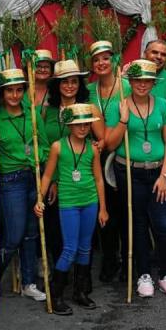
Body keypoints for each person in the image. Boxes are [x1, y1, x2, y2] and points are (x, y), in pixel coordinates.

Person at [102, 60, 166, 299]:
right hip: (129, 172)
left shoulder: (163, 104)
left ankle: (165, 274)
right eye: (137, 80)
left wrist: (165, 175)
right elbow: (111, 144)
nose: (142, 84)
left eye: (147, 80)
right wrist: (123, 121)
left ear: (154, 83)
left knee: (163, 225)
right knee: (137, 224)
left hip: (158, 172)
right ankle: (143, 274)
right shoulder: (119, 105)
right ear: (130, 81)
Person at [36, 102, 109, 314]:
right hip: (68, 203)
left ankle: (80, 291)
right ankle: (55, 293)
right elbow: (48, 175)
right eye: (78, 124)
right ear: (69, 125)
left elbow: (98, 179)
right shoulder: (58, 147)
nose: (83, 128)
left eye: (86, 124)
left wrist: (103, 208)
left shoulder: (93, 149)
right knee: (70, 248)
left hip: (90, 202)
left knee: (85, 247)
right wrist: (40, 198)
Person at [0, 68, 48, 305]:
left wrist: (35, 158)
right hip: (10, 180)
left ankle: (29, 283)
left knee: (32, 233)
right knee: (14, 235)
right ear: (2, 93)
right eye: (9, 90)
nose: (14, 95)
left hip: (33, 176)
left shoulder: (32, 115)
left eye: (19, 90)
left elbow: (43, 145)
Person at [87, 40, 126, 282]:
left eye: (105, 58)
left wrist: (108, 140)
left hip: (123, 156)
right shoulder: (89, 90)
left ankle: (127, 259)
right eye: (96, 59)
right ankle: (110, 259)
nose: (102, 63)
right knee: (104, 211)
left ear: (113, 60)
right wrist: (103, 141)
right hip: (97, 157)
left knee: (124, 211)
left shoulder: (127, 87)